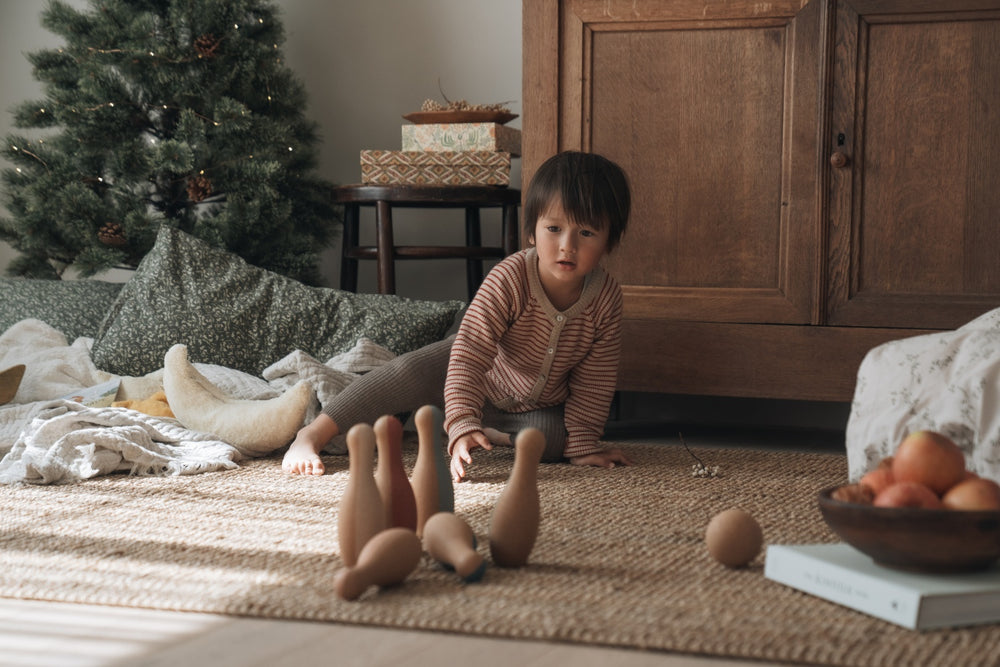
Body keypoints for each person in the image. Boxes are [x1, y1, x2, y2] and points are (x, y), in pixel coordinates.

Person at [283, 150, 634, 481]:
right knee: (402, 373)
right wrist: (464, 421)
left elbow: (595, 379)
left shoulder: (605, 299)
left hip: (527, 404)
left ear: (609, 241)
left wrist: (584, 444)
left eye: (586, 233)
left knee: (556, 441)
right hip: (468, 364)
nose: (567, 246)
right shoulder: (510, 278)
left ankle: (483, 430)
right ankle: (312, 433)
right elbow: (470, 355)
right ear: (532, 231)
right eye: (554, 229)